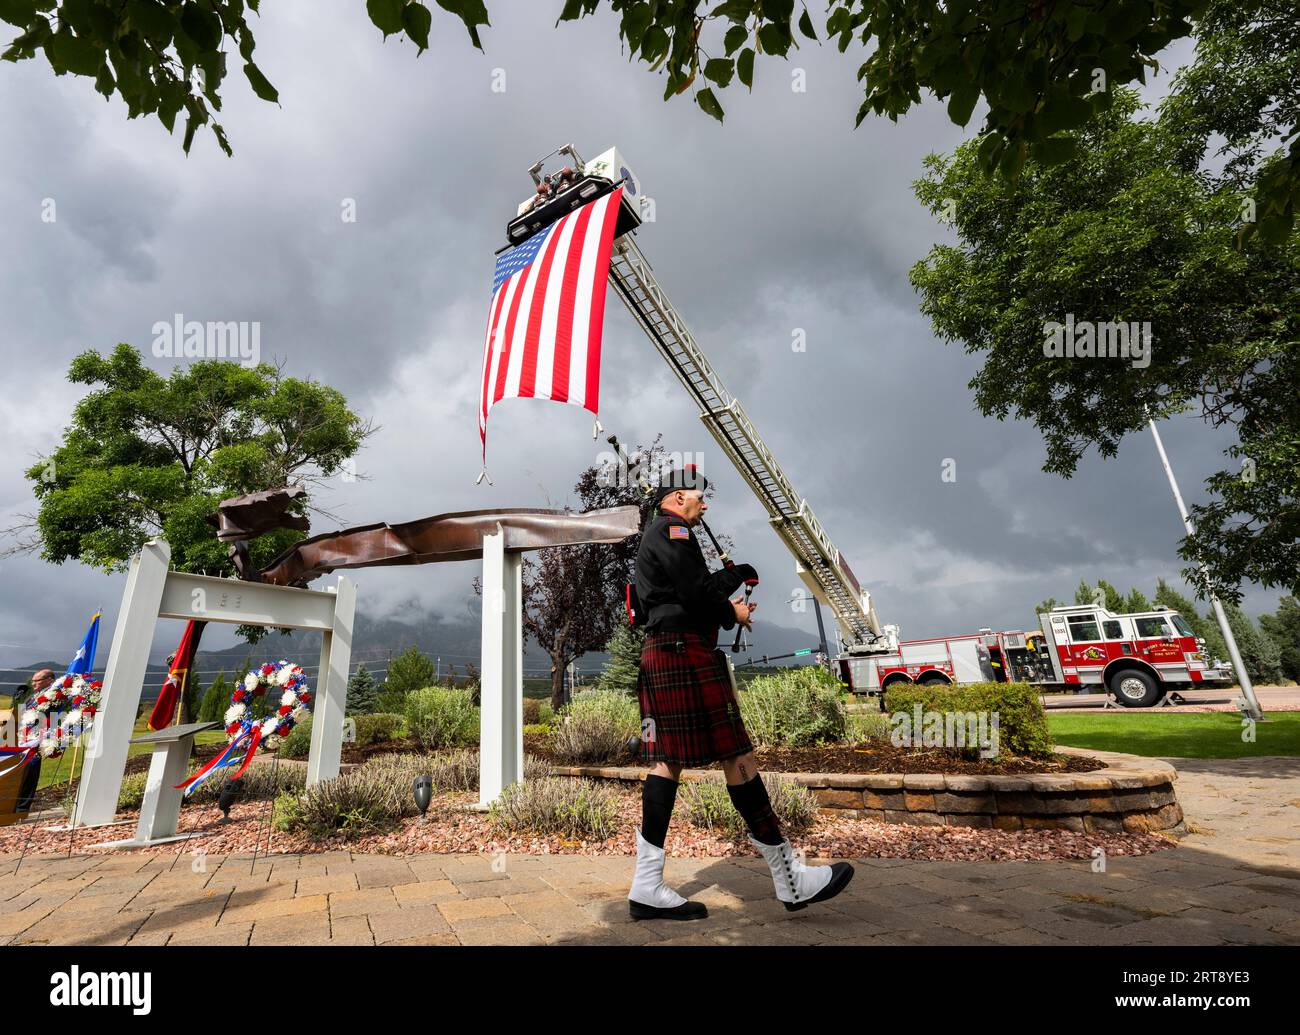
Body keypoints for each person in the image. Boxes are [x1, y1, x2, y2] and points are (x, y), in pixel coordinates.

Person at [626, 466, 854, 920]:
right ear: (675, 499)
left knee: (667, 760)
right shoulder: (671, 529)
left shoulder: (657, 534)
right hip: (683, 652)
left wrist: (730, 611)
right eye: (698, 496)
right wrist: (734, 588)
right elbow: (696, 593)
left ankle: (647, 884)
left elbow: (682, 598)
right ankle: (790, 878)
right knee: (737, 754)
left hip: (667, 649)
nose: (704, 504)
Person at [14, 669, 54, 812]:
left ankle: (22, 809)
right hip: (22, 739)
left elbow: (52, 718)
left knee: (30, 771)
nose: (34, 683)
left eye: (37, 680)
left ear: (49, 680)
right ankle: (12, 805)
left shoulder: (54, 696)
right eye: (33, 681)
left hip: (37, 740)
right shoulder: (31, 697)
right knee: (17, 773)